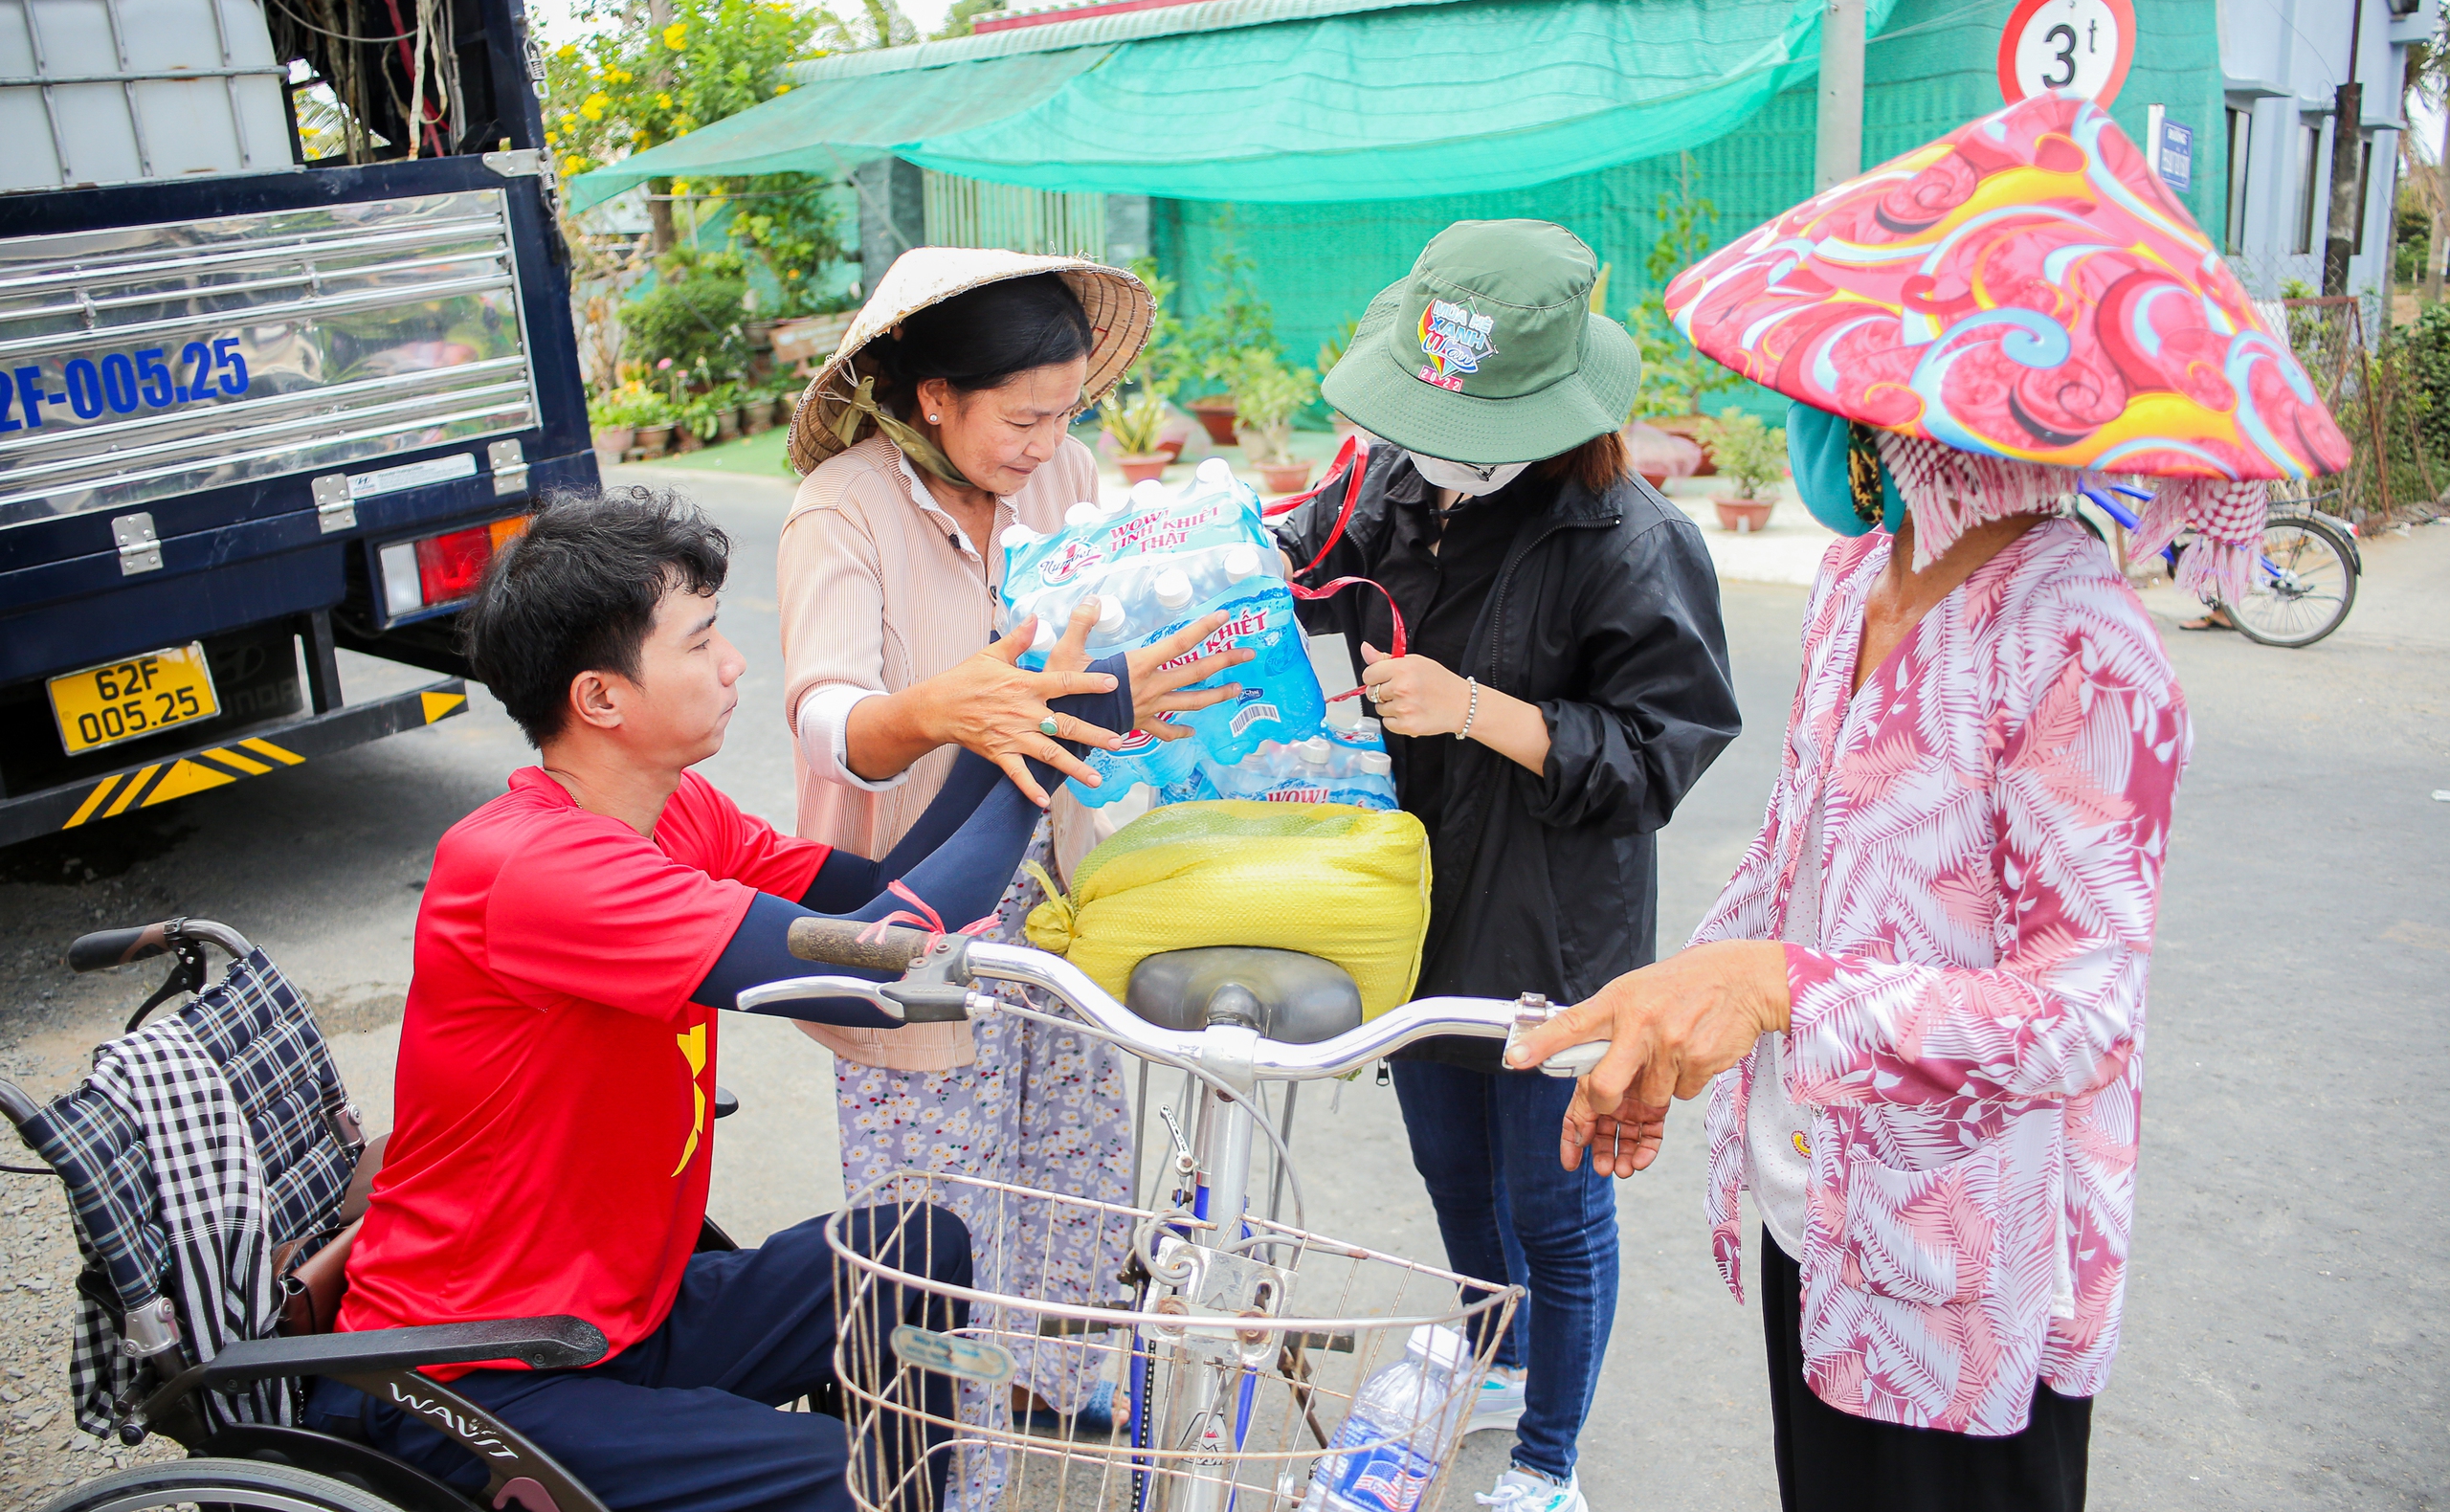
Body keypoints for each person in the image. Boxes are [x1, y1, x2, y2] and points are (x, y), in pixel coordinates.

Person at [1509, 92, 2351, 1512]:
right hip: (1818, 1199)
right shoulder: (1856, 584)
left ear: (1915, 415)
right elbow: (1798, 868)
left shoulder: (2085, 647)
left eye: (1833, 392)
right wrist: (1674, 1015)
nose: (1807, 417)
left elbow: (2081, 1008)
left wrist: (1781, 986)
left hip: (1972, 1266)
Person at [304, 486, 1166, 1512]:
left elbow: (878, 892)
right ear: (601, 699)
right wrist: (1054, 730)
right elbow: (876, 970)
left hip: (621, 1311)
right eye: (701, 638)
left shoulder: (677, 813)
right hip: (483, 1367)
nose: (734, 661)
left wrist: (1023, 717)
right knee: (841, 1481)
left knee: (919, 1251)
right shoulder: (531, 867)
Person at [1277, 219, 1743, 1512]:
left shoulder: (1633, 541)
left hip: (1552, 926)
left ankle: (1549, 1460)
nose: (1434, 450)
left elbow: (1659, 754)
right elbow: (1304, 572)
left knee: (1557, 1199)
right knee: (1452, 1165)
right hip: (1411, 900)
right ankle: (1503, 1352)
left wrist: (1478, 707)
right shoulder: (1391, 486)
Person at [774, 249, 1251, 1472]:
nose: (1049, 445)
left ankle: (1046, 1380)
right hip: (921, 912)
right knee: (939, 1211)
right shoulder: (844, 506)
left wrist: (1144, 697)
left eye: (1067, 415)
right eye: (1023, 418)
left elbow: (1098, 674)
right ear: (935, 396)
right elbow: (828, 717)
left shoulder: (1069, 477)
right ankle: (950, 1463)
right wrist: (956, 708)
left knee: (1071, 1167)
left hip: (1059, 900)